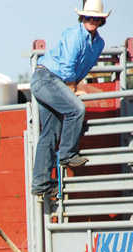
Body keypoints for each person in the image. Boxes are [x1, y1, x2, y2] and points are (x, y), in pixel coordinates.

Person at [30, 0, 109, 196]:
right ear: (81, 17)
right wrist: (72, 88)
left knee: (50, 132)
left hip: (49, 80)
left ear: (101, 21)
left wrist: (74, 85)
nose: (91, 20)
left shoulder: (99, 43)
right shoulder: (74, 35)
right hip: (47, 78)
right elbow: (66, 66)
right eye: (88, 16)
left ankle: (40, 184)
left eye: (96, 17)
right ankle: (67, 154)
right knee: (76, 109)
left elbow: (82, 67)